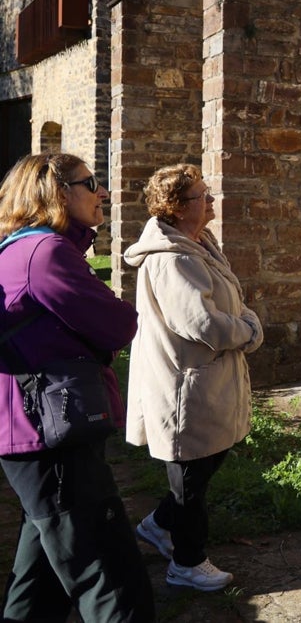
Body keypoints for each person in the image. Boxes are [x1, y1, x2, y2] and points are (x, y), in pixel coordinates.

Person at [0, 153, 156, 622]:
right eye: (91, 182)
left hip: (32, 432)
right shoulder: (44, 253)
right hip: (50, 436)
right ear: (56, 192)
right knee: (111, 581)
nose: (103, 191)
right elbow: (117, 324)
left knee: (40, 581)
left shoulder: (22, 248)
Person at [123, 164, 263, 592]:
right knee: (189, 480)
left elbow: (227, 301)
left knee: (204, 465)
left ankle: (158, 526)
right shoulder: (173, 259)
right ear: (179, 208)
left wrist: (242, 319)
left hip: (204, 378)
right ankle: (186, 562)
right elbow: (199, 321)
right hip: (183, 384)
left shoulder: (198, 242)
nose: (212, 200)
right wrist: (249, 331)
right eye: (203, 195)